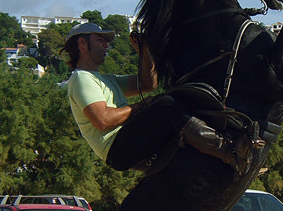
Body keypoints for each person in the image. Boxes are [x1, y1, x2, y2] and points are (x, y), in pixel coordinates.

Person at [63, 22, 253, 174]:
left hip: (127, 138)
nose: (107, 45)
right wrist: (142, 105)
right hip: (116, 148)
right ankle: (229, 152)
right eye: (100, 40)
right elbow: (103, 120)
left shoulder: (105, 79)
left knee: (174, 98)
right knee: (168, 104)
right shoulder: (82, 79)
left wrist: (144, 51)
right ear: (82, 43)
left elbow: (148, 84)